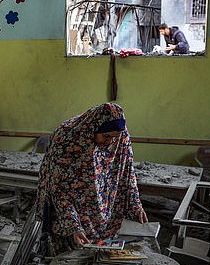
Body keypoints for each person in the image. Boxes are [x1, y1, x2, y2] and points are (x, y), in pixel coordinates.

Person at [36, 103, 148, 255]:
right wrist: (73, 225)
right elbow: (59, 189)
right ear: (94, 127)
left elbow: (127, 171)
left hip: (100, 202)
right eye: (106, 136)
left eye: (114, 137)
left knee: (99, 253)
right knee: (69, 254)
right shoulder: (67, 139)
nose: (110, 142)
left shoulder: (119, 136)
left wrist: (135, 204)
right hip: (71, 200)